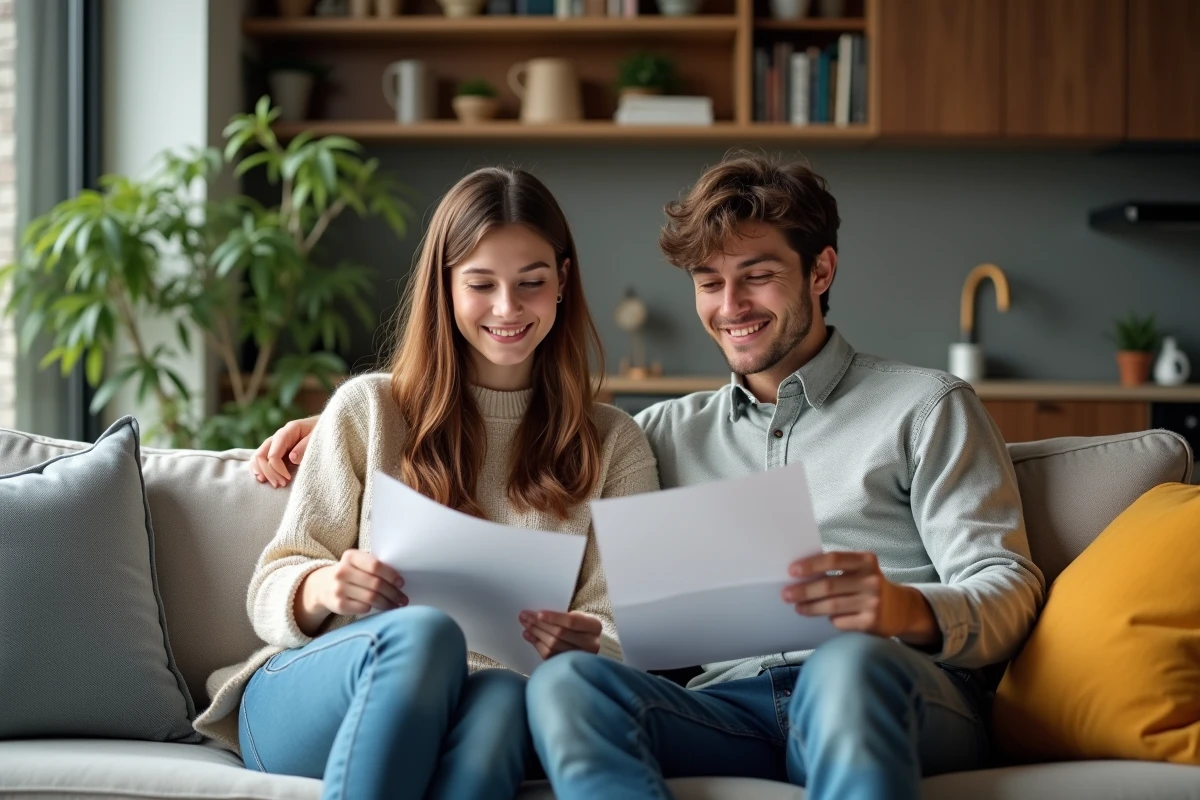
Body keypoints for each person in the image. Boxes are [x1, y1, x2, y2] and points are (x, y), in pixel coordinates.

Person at [252, 153, 1046, 800]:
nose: (732, 304)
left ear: (821, 270)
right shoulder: (662, 433)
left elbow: (1008, 585)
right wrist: (344, 425)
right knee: (568, 690)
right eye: (709, 282)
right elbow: (529, 444)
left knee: (847, 664)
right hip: (730, 705)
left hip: (890, 682)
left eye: (759, 275)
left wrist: (901, 608)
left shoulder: (926, 407)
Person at [195, 166, 659, 800]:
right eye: (480, 284)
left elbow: (620, 630)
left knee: (500, 695)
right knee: (427, 633)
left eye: (531, 283)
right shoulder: (369, 409)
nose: (507, 308)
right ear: (444, 287)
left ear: (562, 284)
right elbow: (272, 585)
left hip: (489, 703)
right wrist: (327, 584)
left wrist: (585, 641)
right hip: (320, 697)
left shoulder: (612, 443)